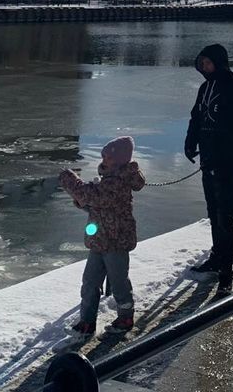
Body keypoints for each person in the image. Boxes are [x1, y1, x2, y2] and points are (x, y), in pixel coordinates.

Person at [185, 43, 233, 295]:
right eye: (201, 64)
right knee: (213, 211)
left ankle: (227, 269)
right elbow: (196, 117)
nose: (204, 68)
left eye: (207, 63)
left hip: (230, 160)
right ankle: (216, 257)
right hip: (209, 159)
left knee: (226, 214)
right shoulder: (205, 89)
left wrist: (218, 140)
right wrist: (191, 141)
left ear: (218, 62)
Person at [59, 136, 146, 335]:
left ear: (120, 160)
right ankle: (87, 321)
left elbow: (94, 196)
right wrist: (82, 201)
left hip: (115, 241)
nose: (104, 160)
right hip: (100, 240)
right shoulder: (107, 180)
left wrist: (70, 181)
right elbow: (94, 203)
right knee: (90, 281)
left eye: (108, 157)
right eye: (103, 156)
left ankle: (125, 316)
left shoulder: (118, 182)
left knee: (118, 283)